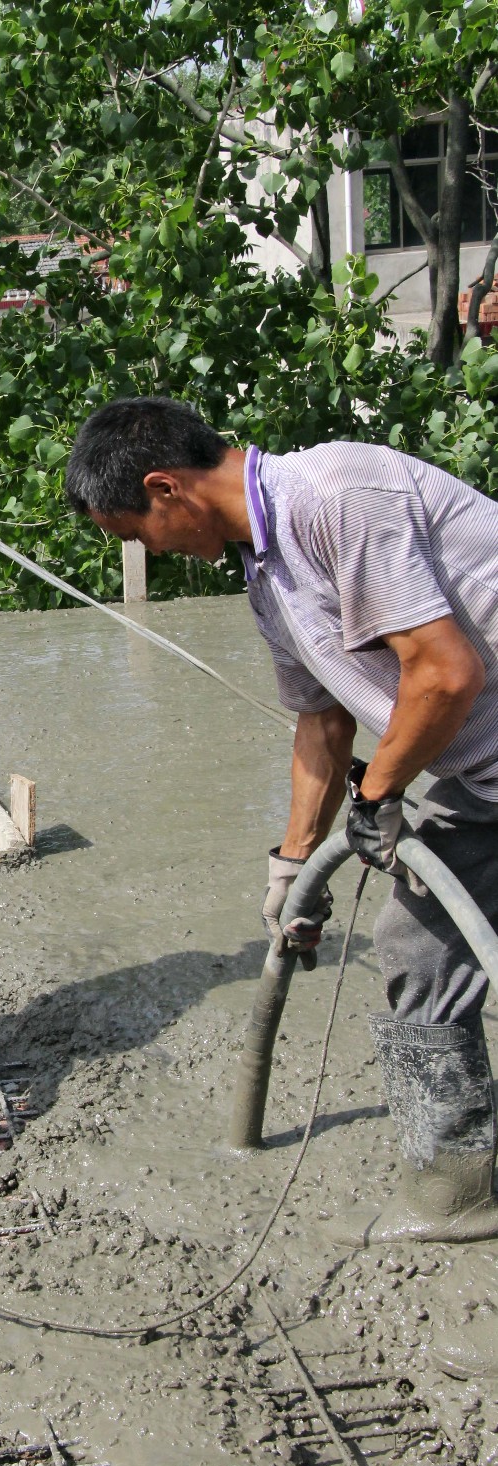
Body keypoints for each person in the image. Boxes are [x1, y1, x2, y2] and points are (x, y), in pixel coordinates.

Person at [65, 398, 498, 1244]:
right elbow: (322, 723)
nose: (146, 550)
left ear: (166, 490)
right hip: (479, 773)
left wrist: (376, 796)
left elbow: (444, 675)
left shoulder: (336, 493)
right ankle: (457, 1190)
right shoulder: (267, 579)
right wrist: (293, 865)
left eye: (133, 531)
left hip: (468, 746)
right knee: (416, 948)